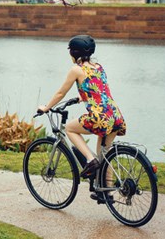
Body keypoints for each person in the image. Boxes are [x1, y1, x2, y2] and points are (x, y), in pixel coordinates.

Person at [38, 35, 126, 183]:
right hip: (115, 115)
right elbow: (99, 90)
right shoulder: (99, 67)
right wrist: (82, 97)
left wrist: (46, 107)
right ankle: (107, 191)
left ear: (73, 53)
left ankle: (90, 160)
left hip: (99, 118)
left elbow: (61, 93)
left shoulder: (76, 70)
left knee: (70, 129)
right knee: (104, 154)